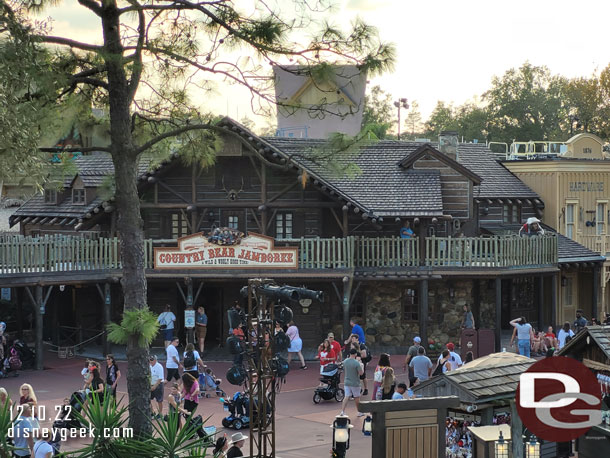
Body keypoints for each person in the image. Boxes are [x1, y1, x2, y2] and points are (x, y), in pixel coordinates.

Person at [341, 348, 365, 417]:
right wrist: (361, 365)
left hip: (347, 381)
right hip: (355, 382)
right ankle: (359, 411)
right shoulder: (356, 363)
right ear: (355, 354)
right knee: (357, 397)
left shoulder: (345, 361)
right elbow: (361, 373)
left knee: (346, 396)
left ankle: (342, 411)